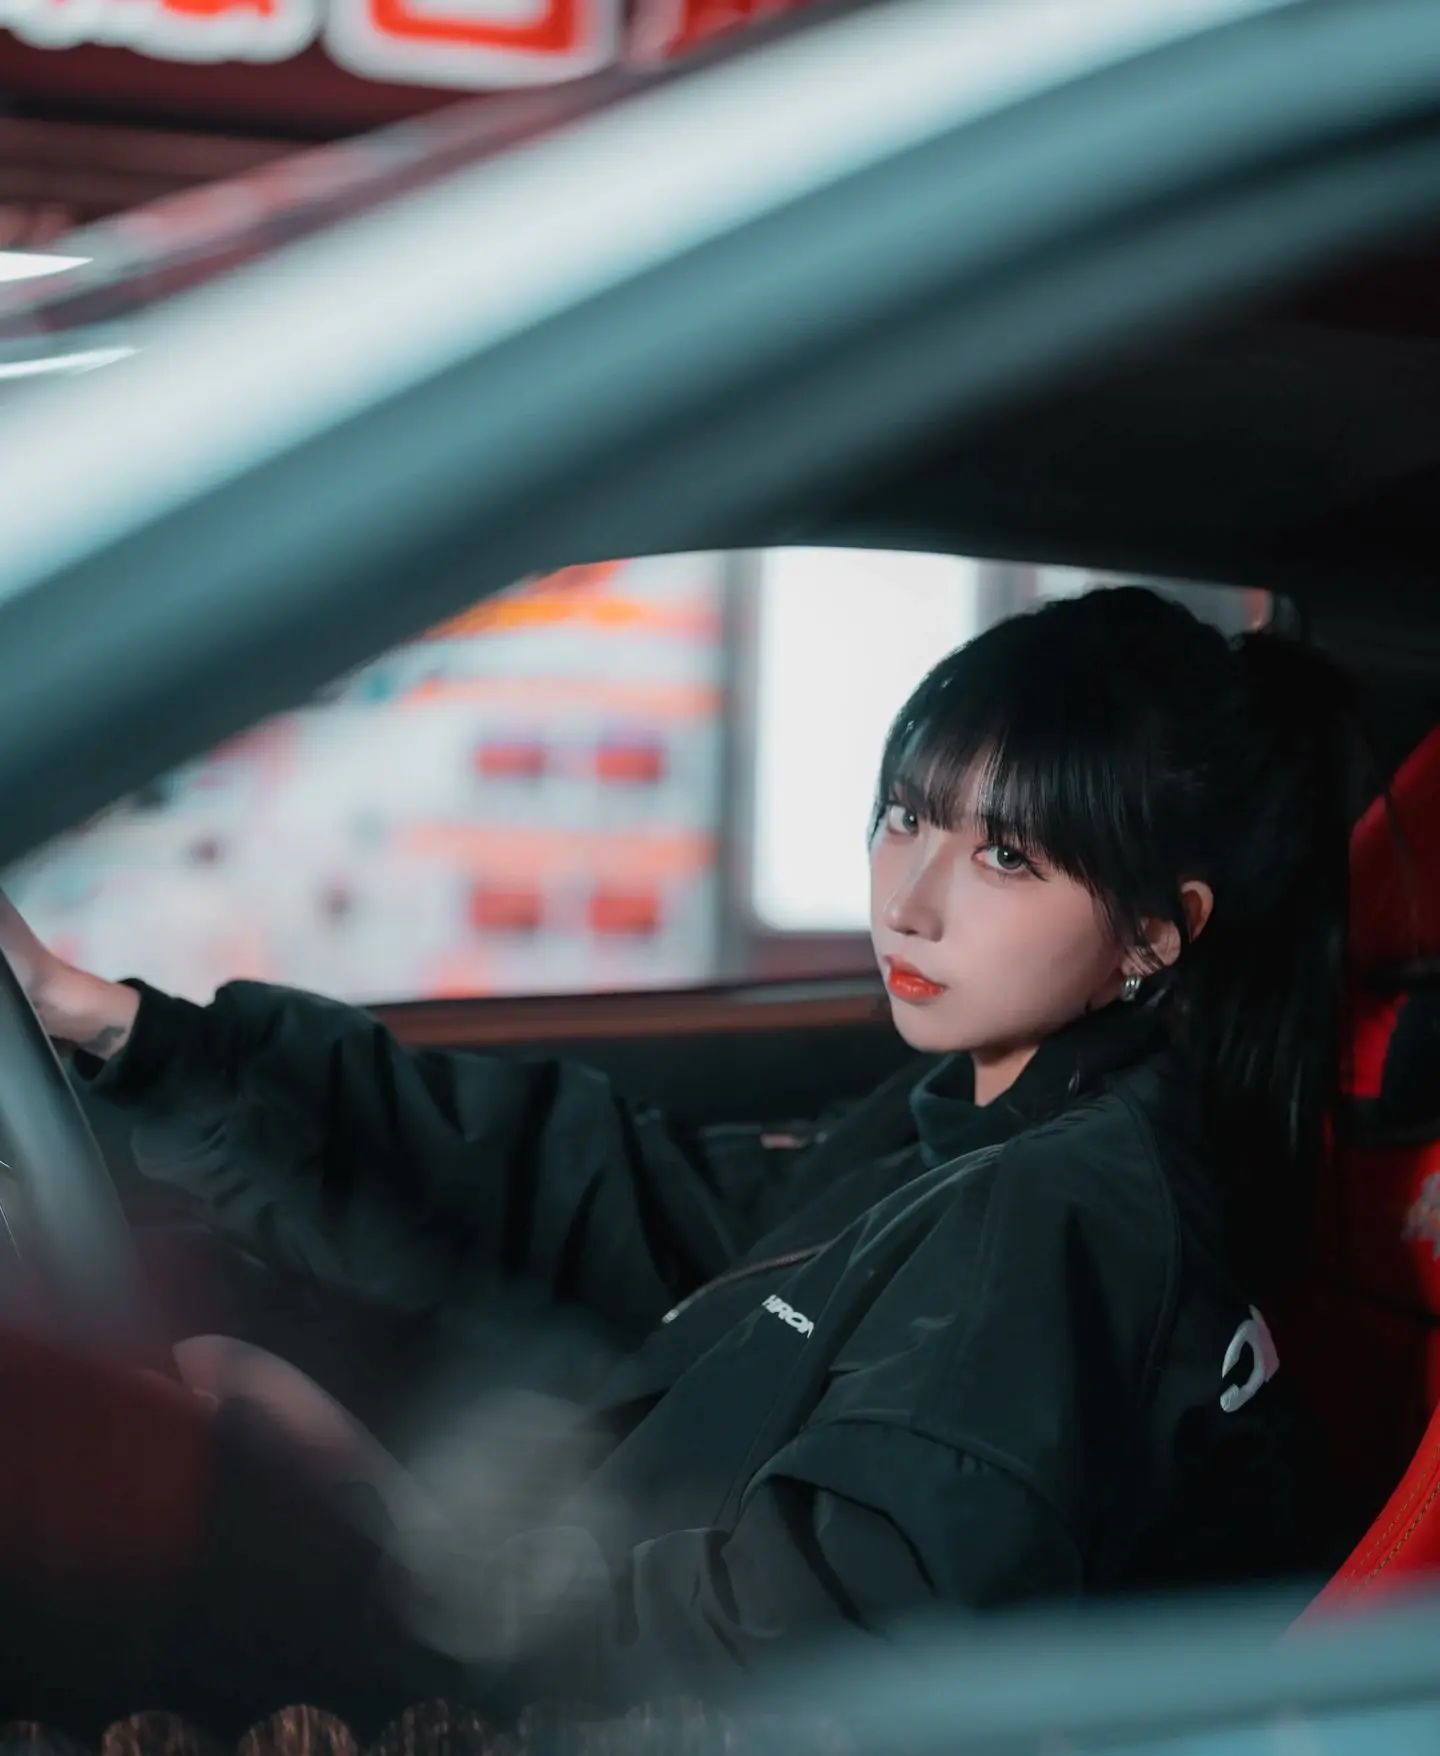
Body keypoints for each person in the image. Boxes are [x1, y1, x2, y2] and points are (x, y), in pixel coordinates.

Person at [0, 586, 1356, 1727]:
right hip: (570, 1627)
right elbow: (627, 1206)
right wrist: (121, 1026)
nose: (912, 900)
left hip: (589, 1694)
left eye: (1005, 856)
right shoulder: (966, 1121)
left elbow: (824, 1639)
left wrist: (397, 1573)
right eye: (907, 817)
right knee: (215, 1385)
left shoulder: (1064, 1218)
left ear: (1156, 931)